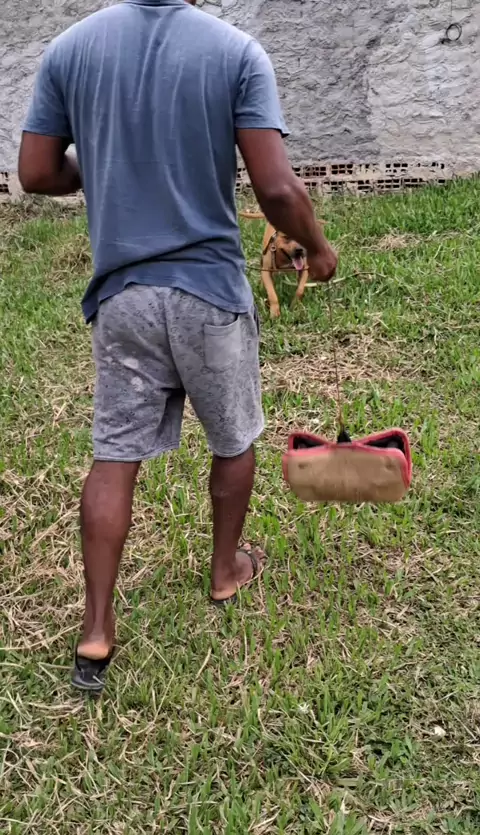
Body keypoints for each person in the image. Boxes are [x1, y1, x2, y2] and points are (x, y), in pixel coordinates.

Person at [19, 0, 337, 692]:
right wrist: (318, 248)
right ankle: (225, 571)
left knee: (114, 457)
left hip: (123, 298)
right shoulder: (236, 53)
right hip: (209, 296)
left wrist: (96, 167)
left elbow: (36, 172)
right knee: (233, 438)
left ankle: (96, 629)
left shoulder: (71, 50)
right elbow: (277, 187)